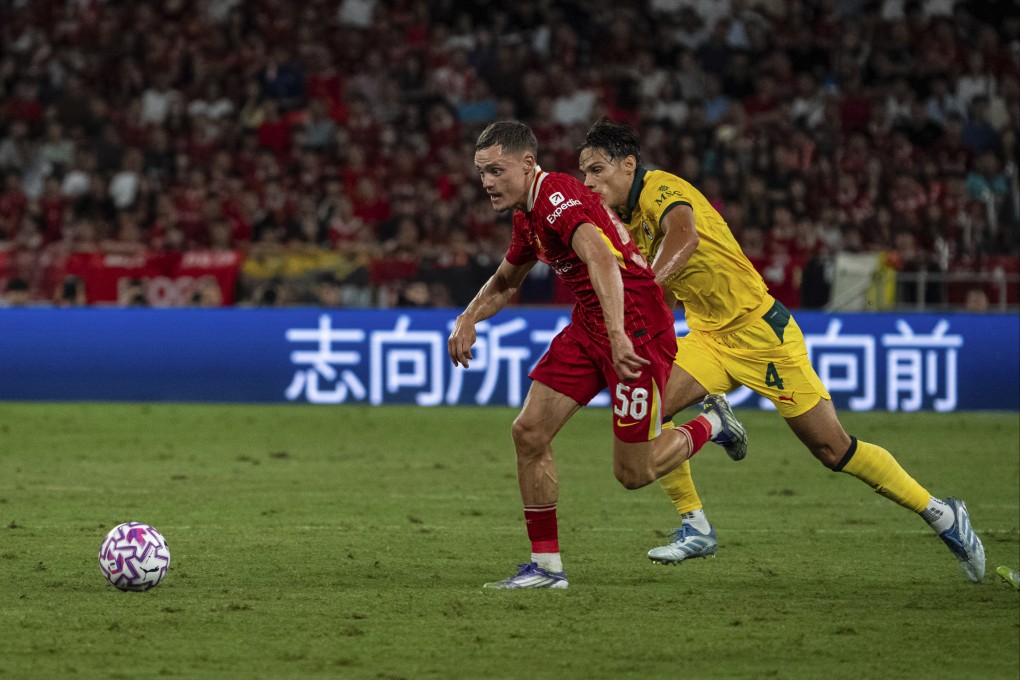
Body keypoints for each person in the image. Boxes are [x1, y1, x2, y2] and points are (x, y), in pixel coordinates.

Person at [577, 117, 985, 583]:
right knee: (648, 409)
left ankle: (943, 514)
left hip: (762, 336)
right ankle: (697, 522)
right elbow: (664, 291)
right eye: (584, 173)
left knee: (833, 450)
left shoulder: (661, 190)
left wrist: (645, 291)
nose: (588, 182)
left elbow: (683, 240)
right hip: (710, 336)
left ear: (628, 165)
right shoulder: (624, 218)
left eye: (596, 170)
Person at [448, 120, 747, 589]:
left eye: (495, 170)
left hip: (636, 329)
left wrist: (619, 336)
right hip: (591, 326)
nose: (486, 181)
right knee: (529, 432)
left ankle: (711, 424)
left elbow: (603, 259)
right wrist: (467, 317)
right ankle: (546, 569)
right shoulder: (528, 215)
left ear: (528, 164)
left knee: (634, 472)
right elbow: (506, 282)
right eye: (481, 171)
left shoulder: (557, 197)